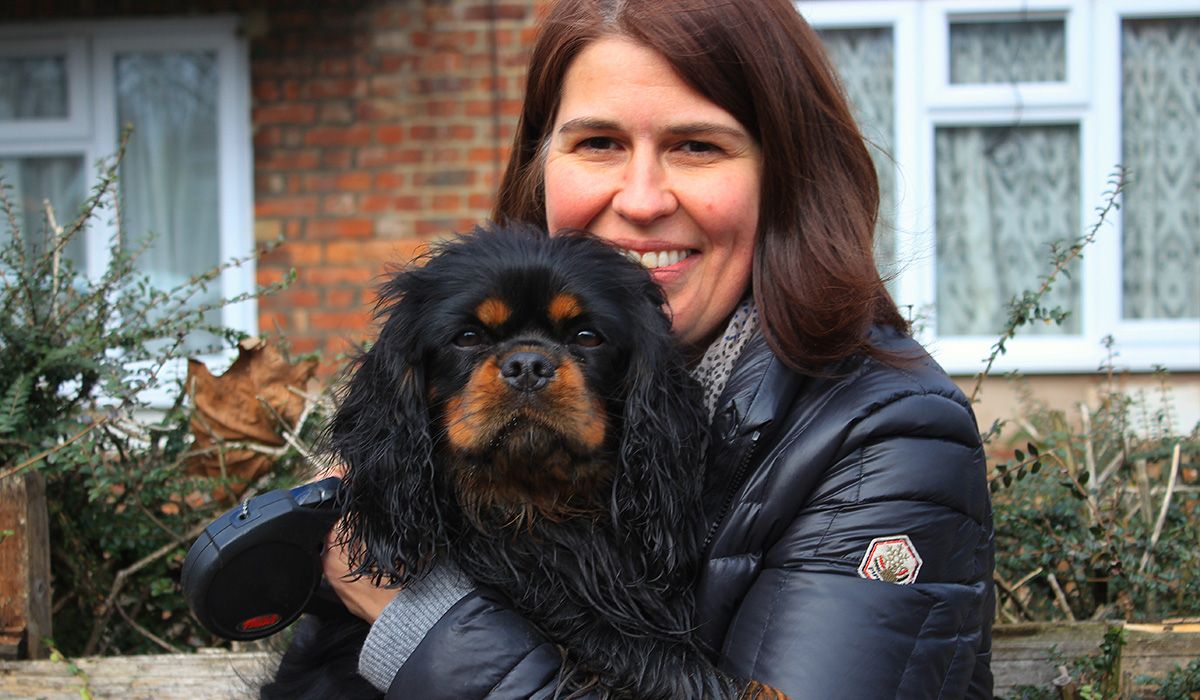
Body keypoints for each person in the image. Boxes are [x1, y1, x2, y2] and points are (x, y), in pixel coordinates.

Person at [325, 0, 995, 697]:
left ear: (788, 177)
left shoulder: (888, 441)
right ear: (539, 165)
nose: (641, 201)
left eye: (697, 145)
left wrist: (418, 615)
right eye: (599, 143)